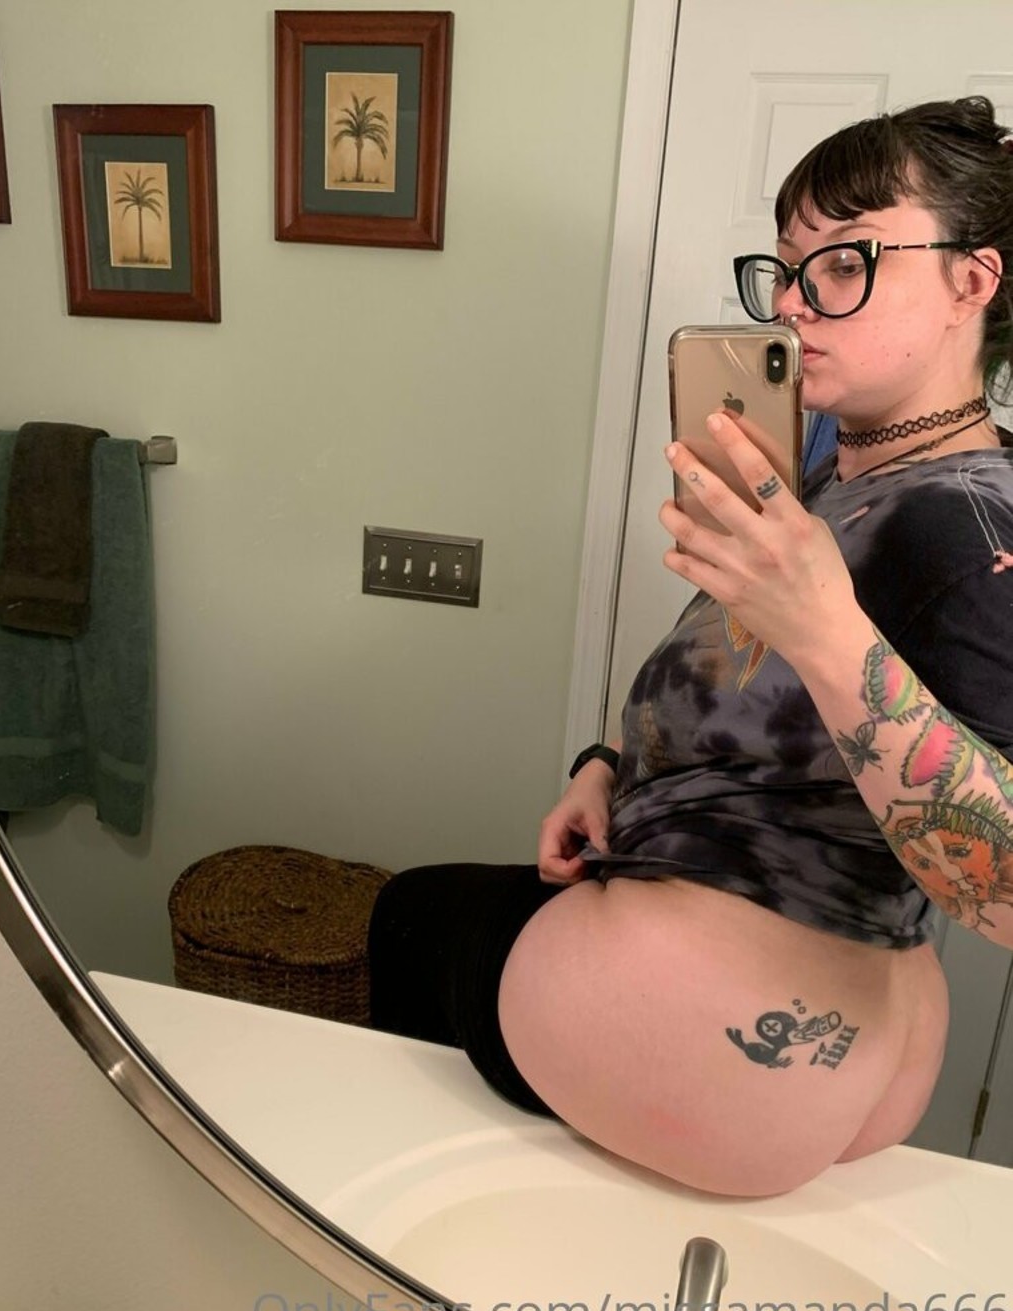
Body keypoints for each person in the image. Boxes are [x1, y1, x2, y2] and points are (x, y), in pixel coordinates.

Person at [368, 96, 1013, 1197]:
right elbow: (758, 708)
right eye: (788, 267)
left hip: (748, 1043)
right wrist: (609, 768)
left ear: (972, 280)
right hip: (755, 1023)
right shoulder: (831, 468)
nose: (796, 303)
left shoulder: (966, 522)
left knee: (408, 918)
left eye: (845, 262)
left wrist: (821, 624)